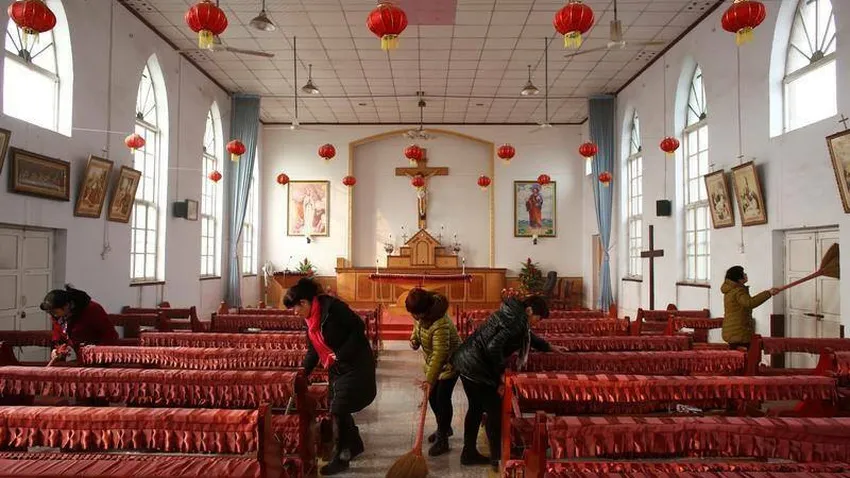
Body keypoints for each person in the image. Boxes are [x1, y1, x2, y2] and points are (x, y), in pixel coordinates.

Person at [450, 295, 566, 469]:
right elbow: (493, 347)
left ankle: (469, 453)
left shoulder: (514, 314)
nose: (537, 322)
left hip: (466, 361)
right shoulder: (516, 322)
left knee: (476, 408)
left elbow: (527, 336)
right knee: (495, 412)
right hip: (476, 366)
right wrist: (501, 373)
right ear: (529, 311)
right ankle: (497, 457)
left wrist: (549, 347)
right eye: (538, 318)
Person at [284, 277, 376, 476]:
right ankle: (355, 444)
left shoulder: (333, 309)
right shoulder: (310, 320)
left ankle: (341, 456)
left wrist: (341, 354)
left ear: (304, 302)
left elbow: (358, 328)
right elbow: (314, 350)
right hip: (337, 367)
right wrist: (303, 372)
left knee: (339, 408)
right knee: (336, 407)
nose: (295, 313)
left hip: (356, 362)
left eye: (295, 308)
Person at [407, 288, 461, 457]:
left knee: (442, 399)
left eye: (416, 314)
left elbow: (440, 354)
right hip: (435, 365)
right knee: (432, 398)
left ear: (425, 310)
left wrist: (430, 380)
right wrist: (414, 340)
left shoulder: (440, 323)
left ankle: (443, 439)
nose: (414, 317)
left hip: (450, 364)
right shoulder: (422, 315)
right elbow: (418, 328)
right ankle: (444, 428)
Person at [40, 285, 118, 360]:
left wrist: (97, 351)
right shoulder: (57, 315)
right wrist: (57, 349)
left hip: (100, 353)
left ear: (66, 306)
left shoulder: (92, 309)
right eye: (49, 312)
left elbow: (110, 334)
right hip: (81, 353)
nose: (53, 315)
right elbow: (58, 334)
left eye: (54, 312)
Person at [721, 266, 779, 349]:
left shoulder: (731, 290)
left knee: (737, 355)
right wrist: (768, 293)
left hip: (733, 330)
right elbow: (750, 303)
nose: (746, 275)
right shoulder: (738, 291)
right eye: (743, 274)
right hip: (738, 331)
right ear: (739, 278)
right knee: (745, 355)